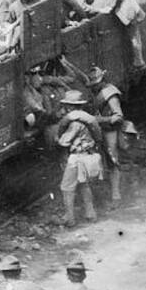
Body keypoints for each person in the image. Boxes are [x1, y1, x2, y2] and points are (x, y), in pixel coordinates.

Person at [55, 90, 104, 226]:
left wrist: (56, 138)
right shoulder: (88, 119)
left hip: (77, 158)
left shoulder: (75, 123)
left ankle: (69, 218)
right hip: (88, 155)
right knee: (84, 184)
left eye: (66, 106)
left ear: (70, 106)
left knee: (66, 187)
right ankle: (90, 213)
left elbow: (64, 142)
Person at [85, 67, 128, 206]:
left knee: (112, 160)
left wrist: (100, 120)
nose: (94, 87)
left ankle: (116, 194)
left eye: (95, 84)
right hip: (98, 130)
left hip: (110, 131)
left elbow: (118, 117)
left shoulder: (110, 94)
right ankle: (103, 192)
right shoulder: (98, 91)